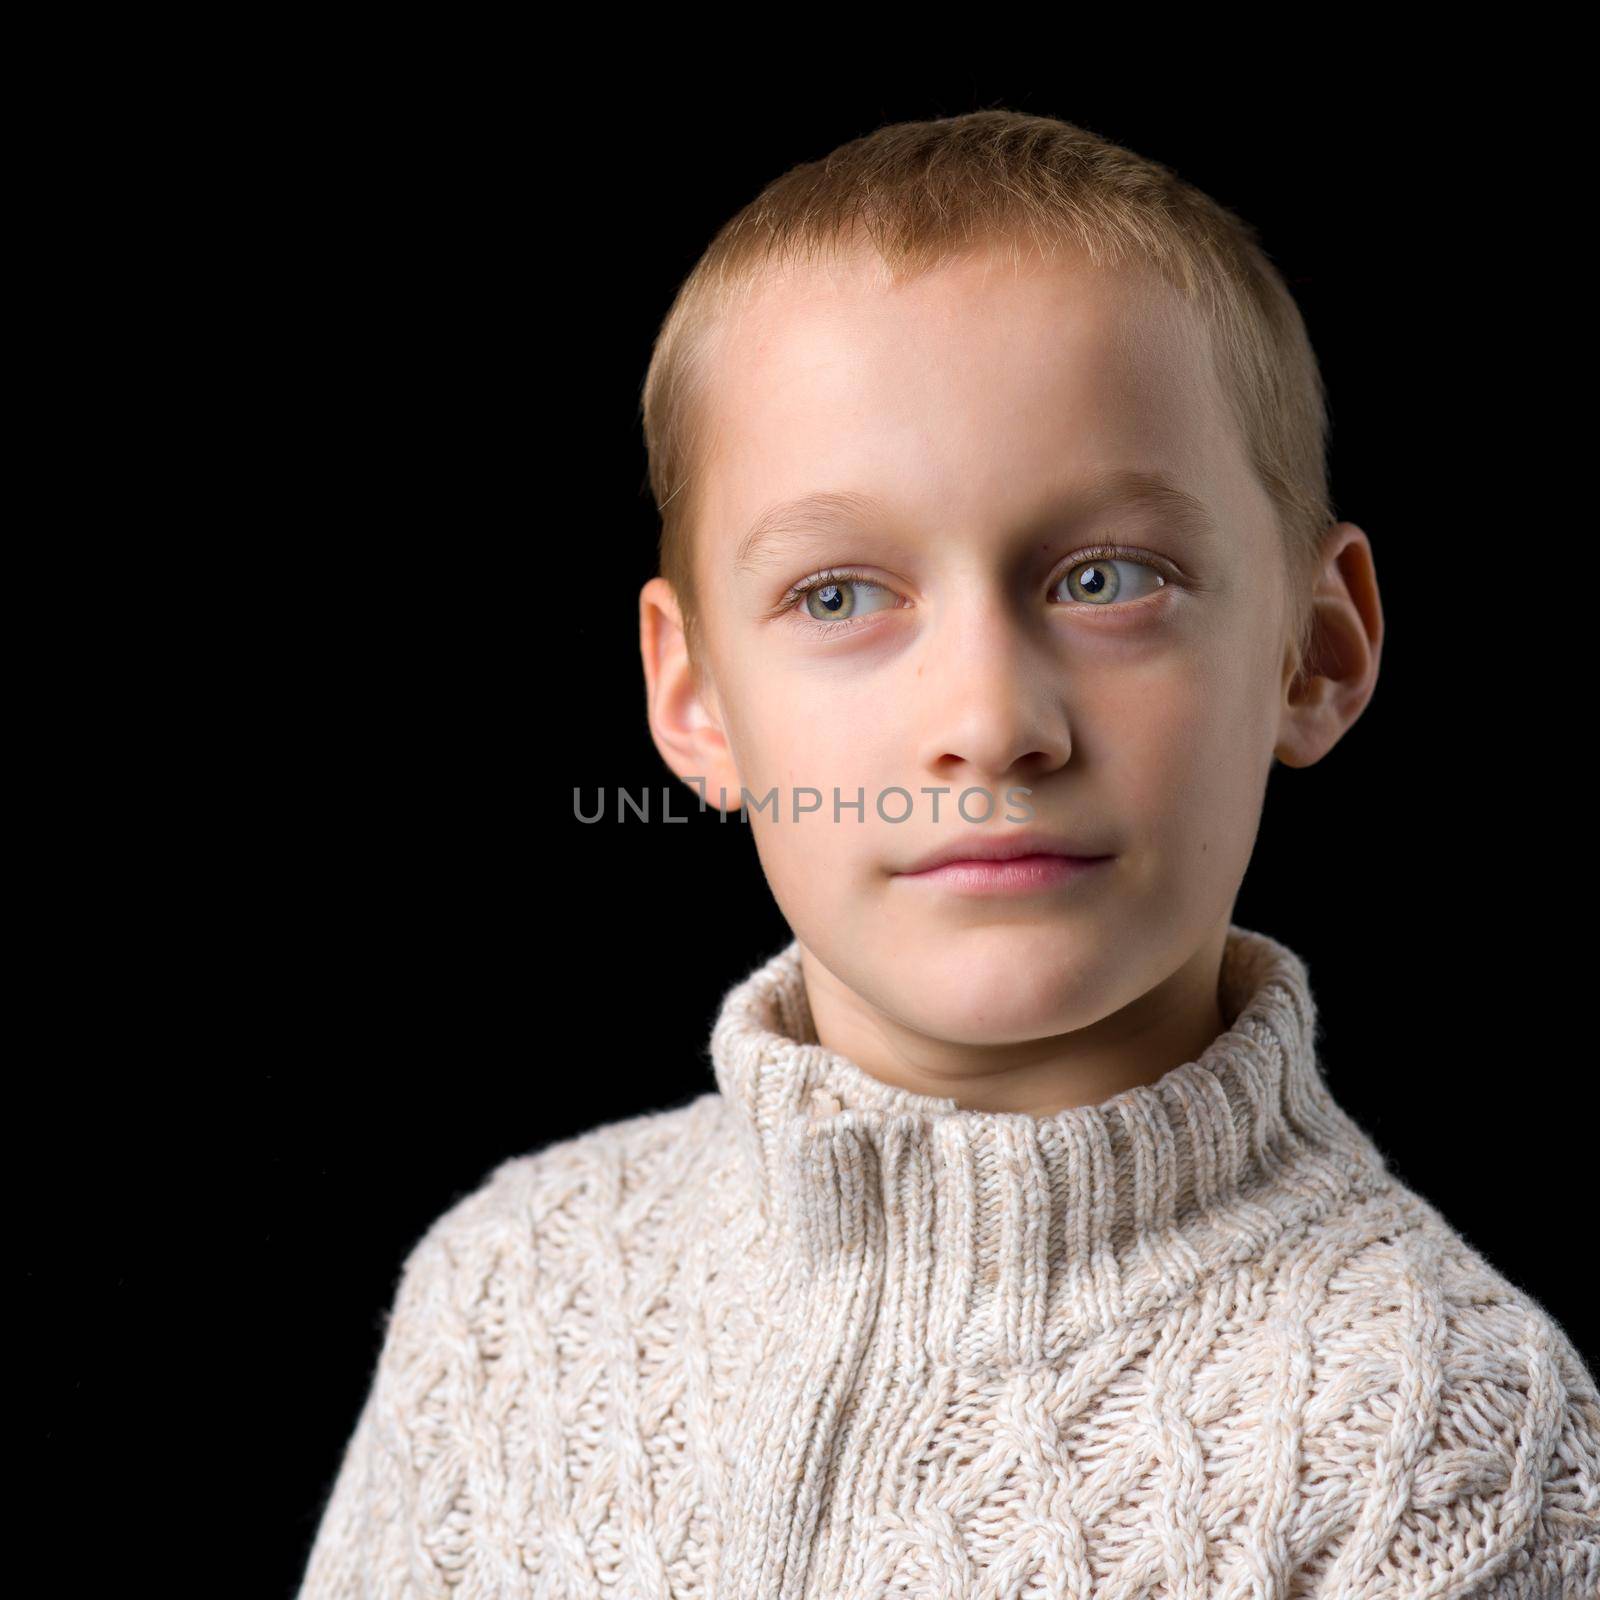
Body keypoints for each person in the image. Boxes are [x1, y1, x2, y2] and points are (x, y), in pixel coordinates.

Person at [299, 109, 1599, 1599]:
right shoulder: (514, 1292)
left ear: (1315, 650)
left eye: (1108, 579)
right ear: (695, 700)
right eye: (843, 595)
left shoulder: (1427, 1431)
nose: (988, 724)